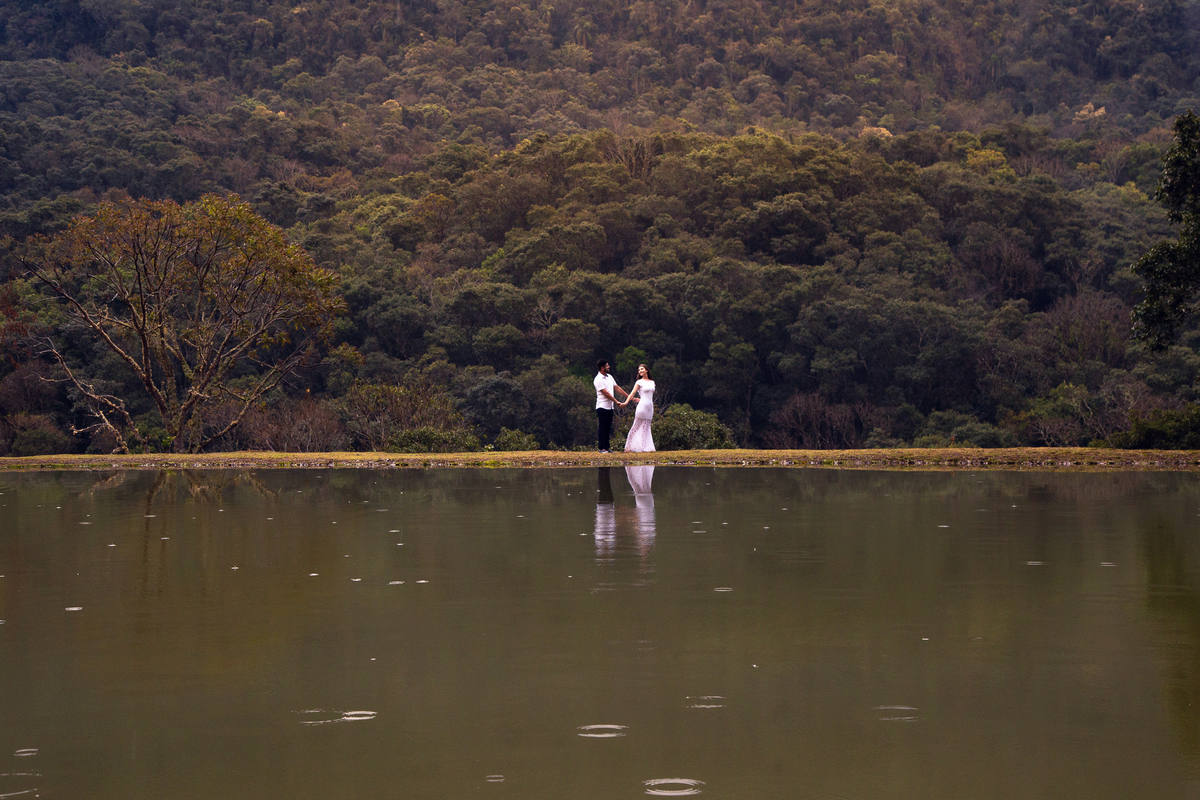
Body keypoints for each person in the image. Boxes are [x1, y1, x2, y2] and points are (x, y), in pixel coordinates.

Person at [593, 359, 628, 453]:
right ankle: (601, 448)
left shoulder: (609, 377)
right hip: (602, 406)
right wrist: (617, 401)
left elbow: (617, 388)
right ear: (602, 367)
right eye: (607, 365)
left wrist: (629, 397)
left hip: (610, 407)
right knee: (602, 427)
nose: (609, 367)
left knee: (608, 427)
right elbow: (606, 394)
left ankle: (607, 447)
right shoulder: (598, 379)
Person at [620, 363, 656, 453]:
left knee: (646, 427)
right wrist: (626, 402)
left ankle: (644, 447)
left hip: (650, 407)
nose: (640, 371)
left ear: (646, 370)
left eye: (642, 369)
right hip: (642, 406)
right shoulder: (639, 382)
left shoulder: (652, 382)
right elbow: (632, 393)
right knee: (636, 426)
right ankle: (628, 446)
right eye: (639, 370)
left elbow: (649, 395)